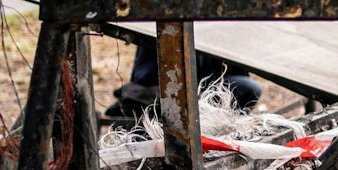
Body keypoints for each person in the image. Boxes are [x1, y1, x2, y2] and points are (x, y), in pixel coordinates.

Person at [107, 40, 262, 120]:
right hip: (165, 92)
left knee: (249, 87)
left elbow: (235, 74)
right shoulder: (157, 28)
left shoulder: (216, 29)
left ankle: (220, 128)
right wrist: (181, 58)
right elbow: (141, 76)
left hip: (202, 91)